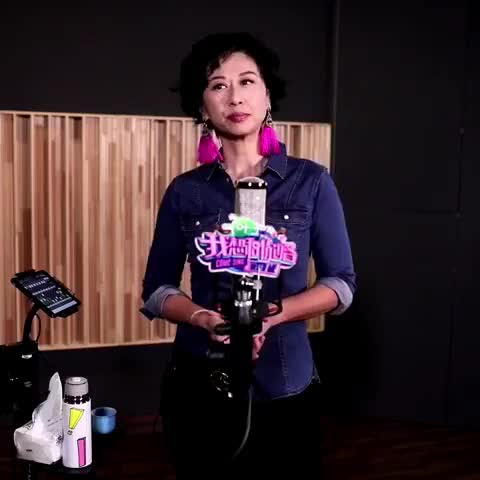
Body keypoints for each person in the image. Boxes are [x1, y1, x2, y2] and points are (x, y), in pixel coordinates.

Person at [141, 32, 356, 479]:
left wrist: (275, 314)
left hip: (285, 384)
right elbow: (157, 291)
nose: (234, 97)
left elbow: (341, 285)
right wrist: (201, 317)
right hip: (199, 384)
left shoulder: (311, 182)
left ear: (267, 96)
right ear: (203, 107)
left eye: (246, 81)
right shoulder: (185, 191)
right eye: (218, 85)